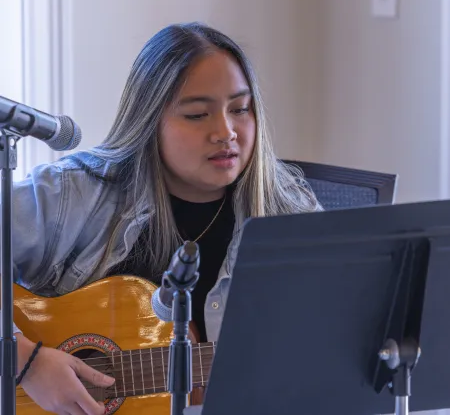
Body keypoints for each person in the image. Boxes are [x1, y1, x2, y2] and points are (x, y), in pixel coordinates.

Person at [10, 22, 322, 415]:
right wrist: (25, 362)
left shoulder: (288, 211)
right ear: (148, 120)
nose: (226, 132)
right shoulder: (73, 195)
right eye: (196, 114)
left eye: (240, 109)